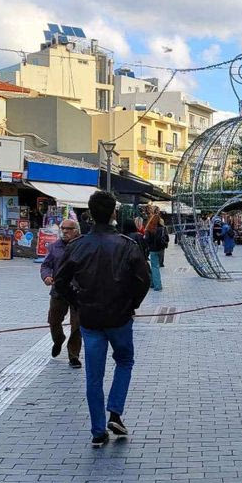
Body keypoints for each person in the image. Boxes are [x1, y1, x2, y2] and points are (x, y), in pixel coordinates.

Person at [54, 191, 151, 446]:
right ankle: (115, 411)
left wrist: (77, 302)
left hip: (90, 320)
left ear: (89, 213)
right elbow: (144, 279)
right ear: (113, 214)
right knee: (125, 361)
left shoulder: (77, 245)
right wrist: (132, 304)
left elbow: (60, 281)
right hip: (119, 318)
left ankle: (98, 429)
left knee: (93, 376)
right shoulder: (127, 245)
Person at [41, 219, 82, 368]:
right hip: (59, 290)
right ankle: (58, 340)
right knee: (53, 320)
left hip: (78, 291)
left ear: (76, 231)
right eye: (63, 228)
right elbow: (46, 265)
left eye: (69, 229)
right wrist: (46, 276)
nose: (64, 231)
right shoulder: (54, 247)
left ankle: (73, 355)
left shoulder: (82, 245)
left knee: (77, 325)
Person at [144, 214, 167, 291]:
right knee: (156, 266)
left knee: (154, 267)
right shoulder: (163, 228)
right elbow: (167, 238)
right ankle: (153, 283)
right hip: (161, 250)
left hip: (153, 250)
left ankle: (157, 285)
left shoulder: (149, 229)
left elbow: (146, 240)